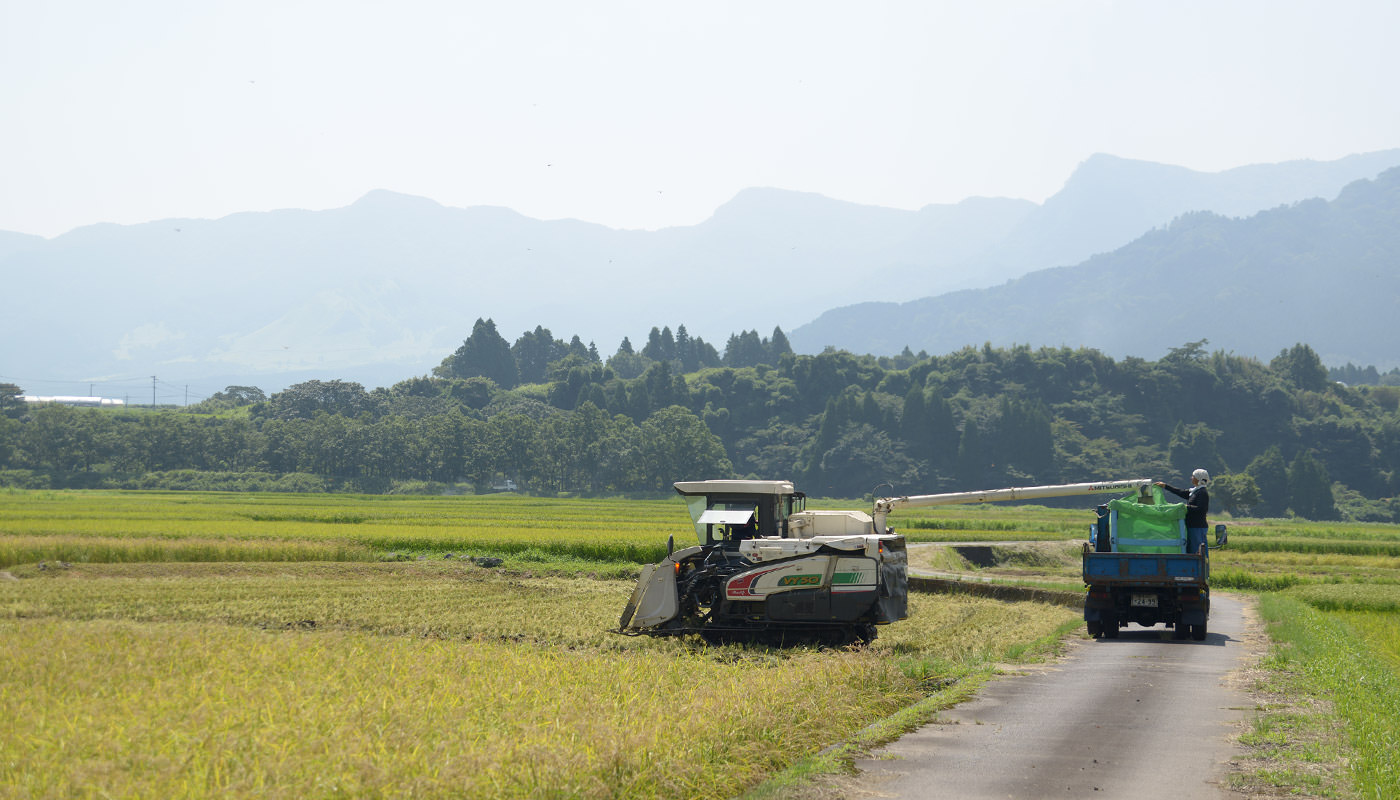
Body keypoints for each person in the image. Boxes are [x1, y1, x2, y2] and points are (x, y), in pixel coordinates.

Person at [1155, 470, 1210, 556]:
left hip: (1197, 527)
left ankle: (1201, 568)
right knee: (1192, 550)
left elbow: (1201, 509)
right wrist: (1165, 486)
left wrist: (1185, 507)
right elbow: (1181, 492)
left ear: (1198, 478)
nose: (1191, 478)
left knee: (1197, 552)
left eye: (1193, 476)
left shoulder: (1202, 493)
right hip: (1192, 526)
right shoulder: (1195, 491)